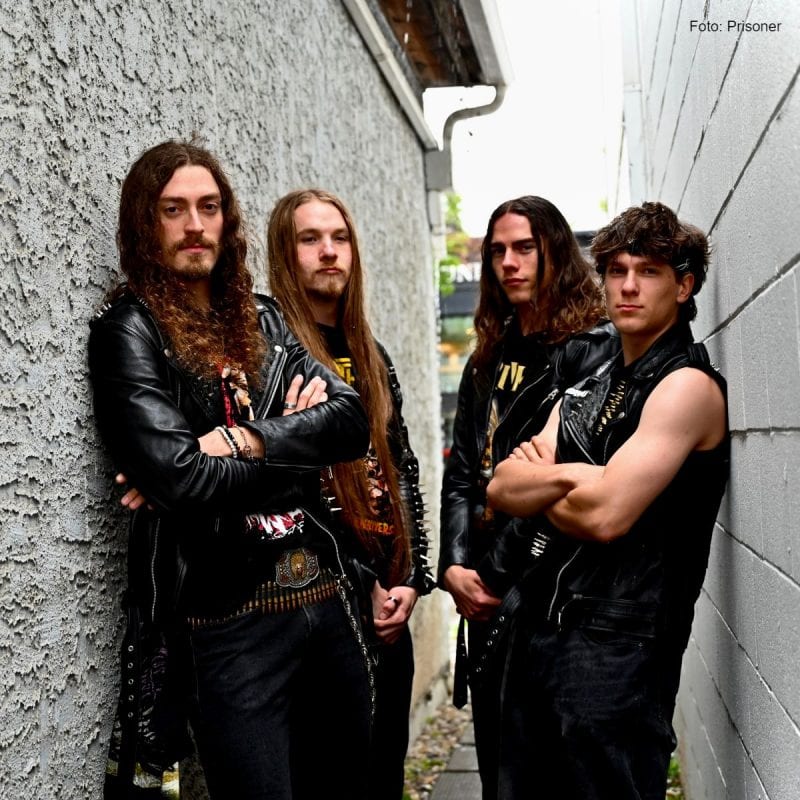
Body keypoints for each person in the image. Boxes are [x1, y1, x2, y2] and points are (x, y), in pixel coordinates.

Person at [89, 141, 373, 800]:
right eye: (174, 209)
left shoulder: (263, 316)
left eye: (209, 207)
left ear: (227, 218)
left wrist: (241, 441)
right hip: (229, 623)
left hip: (327, 599)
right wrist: (296, 453)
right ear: (144, 222)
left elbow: (350, 422)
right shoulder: (130, 330)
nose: (195, 225)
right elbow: (183, 480)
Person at [487, 201, 729, 799]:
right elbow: (500, 486)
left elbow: (606, 516)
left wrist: (550, 477)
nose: (627, 286)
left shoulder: (686, 388)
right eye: (616, 270)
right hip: (540, 626)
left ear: (683, 286)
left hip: (620, 651)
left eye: (648, 271)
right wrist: (581, 479)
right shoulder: (589, 385)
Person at [437, 195, 618, 798]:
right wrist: (454, 566)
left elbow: (560, 481)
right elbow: (463, 469)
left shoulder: (592, 349)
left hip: (548, 591)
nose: (509, 263)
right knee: (499, 769)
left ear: (555, 252)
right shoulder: (487, 355)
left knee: (548, 770)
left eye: (524, 248)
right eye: (497, 251)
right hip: (485, 592)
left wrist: (491, 575)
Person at [266, 188, 436, 800]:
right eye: (310, 239)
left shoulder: (371, 354)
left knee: (383, 774)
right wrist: (360, 580)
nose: (329, 252)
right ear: (285, 253)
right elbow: (283, 488)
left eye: (339, 238)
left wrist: (412, 575)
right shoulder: (273, 353)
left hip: (389, 605)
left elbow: (401, 468)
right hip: (319, 604)